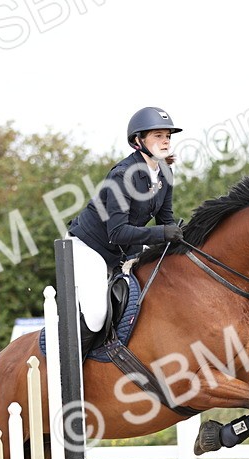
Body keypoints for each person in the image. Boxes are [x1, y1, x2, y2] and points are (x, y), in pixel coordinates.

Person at [66, 106, 184, 355]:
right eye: (158, 136)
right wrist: (163, 234)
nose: (165, 141)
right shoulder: (122, 176)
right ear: (137, 141)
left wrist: (181, 238)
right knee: (97, 315)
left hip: (123, 248)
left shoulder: (165, 173)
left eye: (168, 136)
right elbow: (117, 232)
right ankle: (74, 368)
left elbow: (166, 220)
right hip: (90, 248)